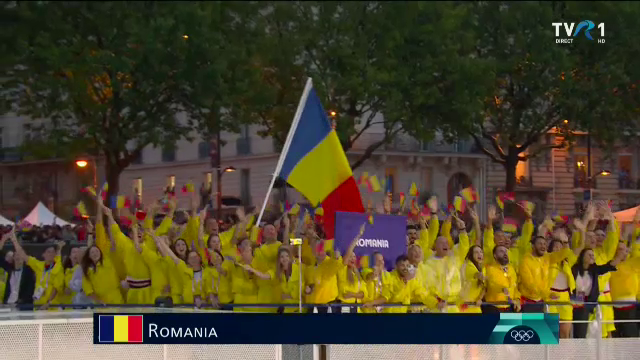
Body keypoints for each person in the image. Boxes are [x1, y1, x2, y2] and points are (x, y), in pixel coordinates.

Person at [571, 247, 625, 338]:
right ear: (582, 256)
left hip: (585, 302)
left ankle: (580, 350)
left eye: (593, 255)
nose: (592, 257)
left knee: (581, 332)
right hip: (557, 301)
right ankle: (543, 350)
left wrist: (619, 257)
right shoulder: (574, 269)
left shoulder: (594, 269)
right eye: (589, 255)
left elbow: (607, 267)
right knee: (567, 332)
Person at [363, 255, 440, 313]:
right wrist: (372, 303)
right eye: (402, 265)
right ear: (396, 266)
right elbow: (387, 296)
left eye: (407, 266)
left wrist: (436, 303)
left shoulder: (412, 281)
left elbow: (423, 295)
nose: (405, 268)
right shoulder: (390, 277)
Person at [10, 230, 64, 310]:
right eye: (48, 252)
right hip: (37, 305)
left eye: (53, 252)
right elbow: (23, 255)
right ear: (43, 255)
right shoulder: (39, 265)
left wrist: (48, 303)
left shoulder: (58, 267)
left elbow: (56, 288)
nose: (51, 254)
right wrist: (14, 241)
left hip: (52, 307)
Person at [519, 235, 572, 313]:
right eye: (540, 244)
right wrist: (548, 294)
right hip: (527, 301)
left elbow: (563, 254)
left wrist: (565, 242)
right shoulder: (525, 261)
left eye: (544, 244)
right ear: (533, 246)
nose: (543, 246)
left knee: (539, 325)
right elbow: (529, 284)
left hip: (541, 301)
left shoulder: (547, 257)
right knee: (528, 325)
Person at [609, 240, 640, 338]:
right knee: (616, 339)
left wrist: (634, 246)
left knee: (631, 338)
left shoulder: (632, 262)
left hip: (630, 308)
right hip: (612, 308)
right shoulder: (609, 264)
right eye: (619, 249)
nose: (622, 252)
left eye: (624, 250)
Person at [0, 230, 36, 308]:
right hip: (7, 304)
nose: (18, 257)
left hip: (22, 305)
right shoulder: (9, 269)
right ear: (13, 257)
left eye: (20, 255)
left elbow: (29, 291)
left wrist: (21, 302)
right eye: (16, 255)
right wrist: (3, 239)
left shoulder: (29, 271)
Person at [484, 245, 521, 313]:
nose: (505, 253)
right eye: (501, 251)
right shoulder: (489, 269)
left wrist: (517, 298)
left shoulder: (511, 269)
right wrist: (502, 289)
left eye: (506, 251)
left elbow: (515, 287)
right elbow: (492, 285)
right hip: (494, 308)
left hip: (509, 308)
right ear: (495, 255)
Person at [460, 245, 485, 313]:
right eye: (476, 252)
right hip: (463, 305)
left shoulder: (483, 268)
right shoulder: (468, 265)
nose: (479, 254)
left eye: (481, 252)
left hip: (475, 305)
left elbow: (484, 287)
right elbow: (476, 274)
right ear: (471, 255)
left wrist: (479, 298)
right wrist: (483, 276)